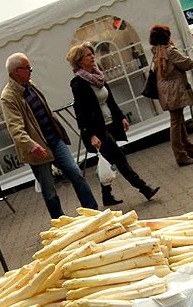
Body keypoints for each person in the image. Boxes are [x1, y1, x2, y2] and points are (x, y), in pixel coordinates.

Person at [0, 52, 98, 219]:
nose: (31, 70)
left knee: (76, 173)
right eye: (27, 68)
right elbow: (15, 128)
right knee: (50, 190)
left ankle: (93, 213)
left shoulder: (29, 84)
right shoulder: (8, 97)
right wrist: (31, 145)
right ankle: (60, 223)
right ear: (16, 71)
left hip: (54, 140)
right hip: (37, 149)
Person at [66, 42, 159, 207]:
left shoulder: (98, 76)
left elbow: (110, 100)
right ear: (80, 61)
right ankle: (144, 188)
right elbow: (81, 113)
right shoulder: (78, 84)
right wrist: (91, 135)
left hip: (110, 123)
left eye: (92, 54)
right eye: (88, 55)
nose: (93, 57)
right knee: (120, 159)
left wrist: (121, 116)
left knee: (108, 160)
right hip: (97, 129)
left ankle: (106, 196)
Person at [149, 24, 193, 167]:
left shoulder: (157, 52)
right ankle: (181, 155)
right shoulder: (169, 51)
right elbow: (187, 63)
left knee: (179, 120)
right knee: (176, 122)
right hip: (174, 90)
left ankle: (188, 149)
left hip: (166, 90)